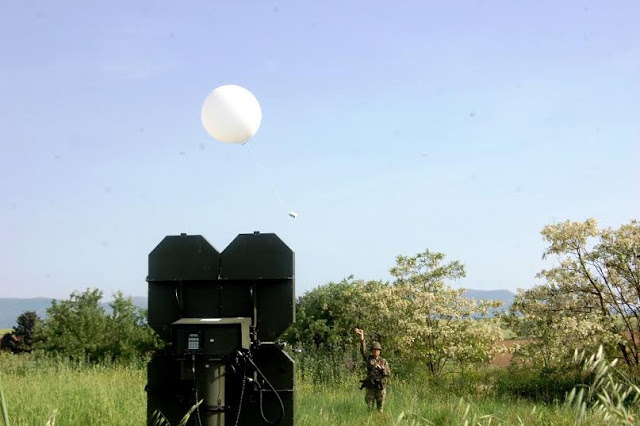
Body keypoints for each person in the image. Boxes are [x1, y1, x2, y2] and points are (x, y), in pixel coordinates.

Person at [354, 327, 390, 412]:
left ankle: (379, 421)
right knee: (369, 406)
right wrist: (362, 337)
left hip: (380, 386)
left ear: (380, 351)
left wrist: (383, 369)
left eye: (378, 350)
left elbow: (388, 373)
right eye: (374, 350)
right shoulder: (369, 358)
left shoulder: (383, 361)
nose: (376, 351)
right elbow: (363, 350)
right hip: (371, 385)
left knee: (380, 407)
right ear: (372, 350)